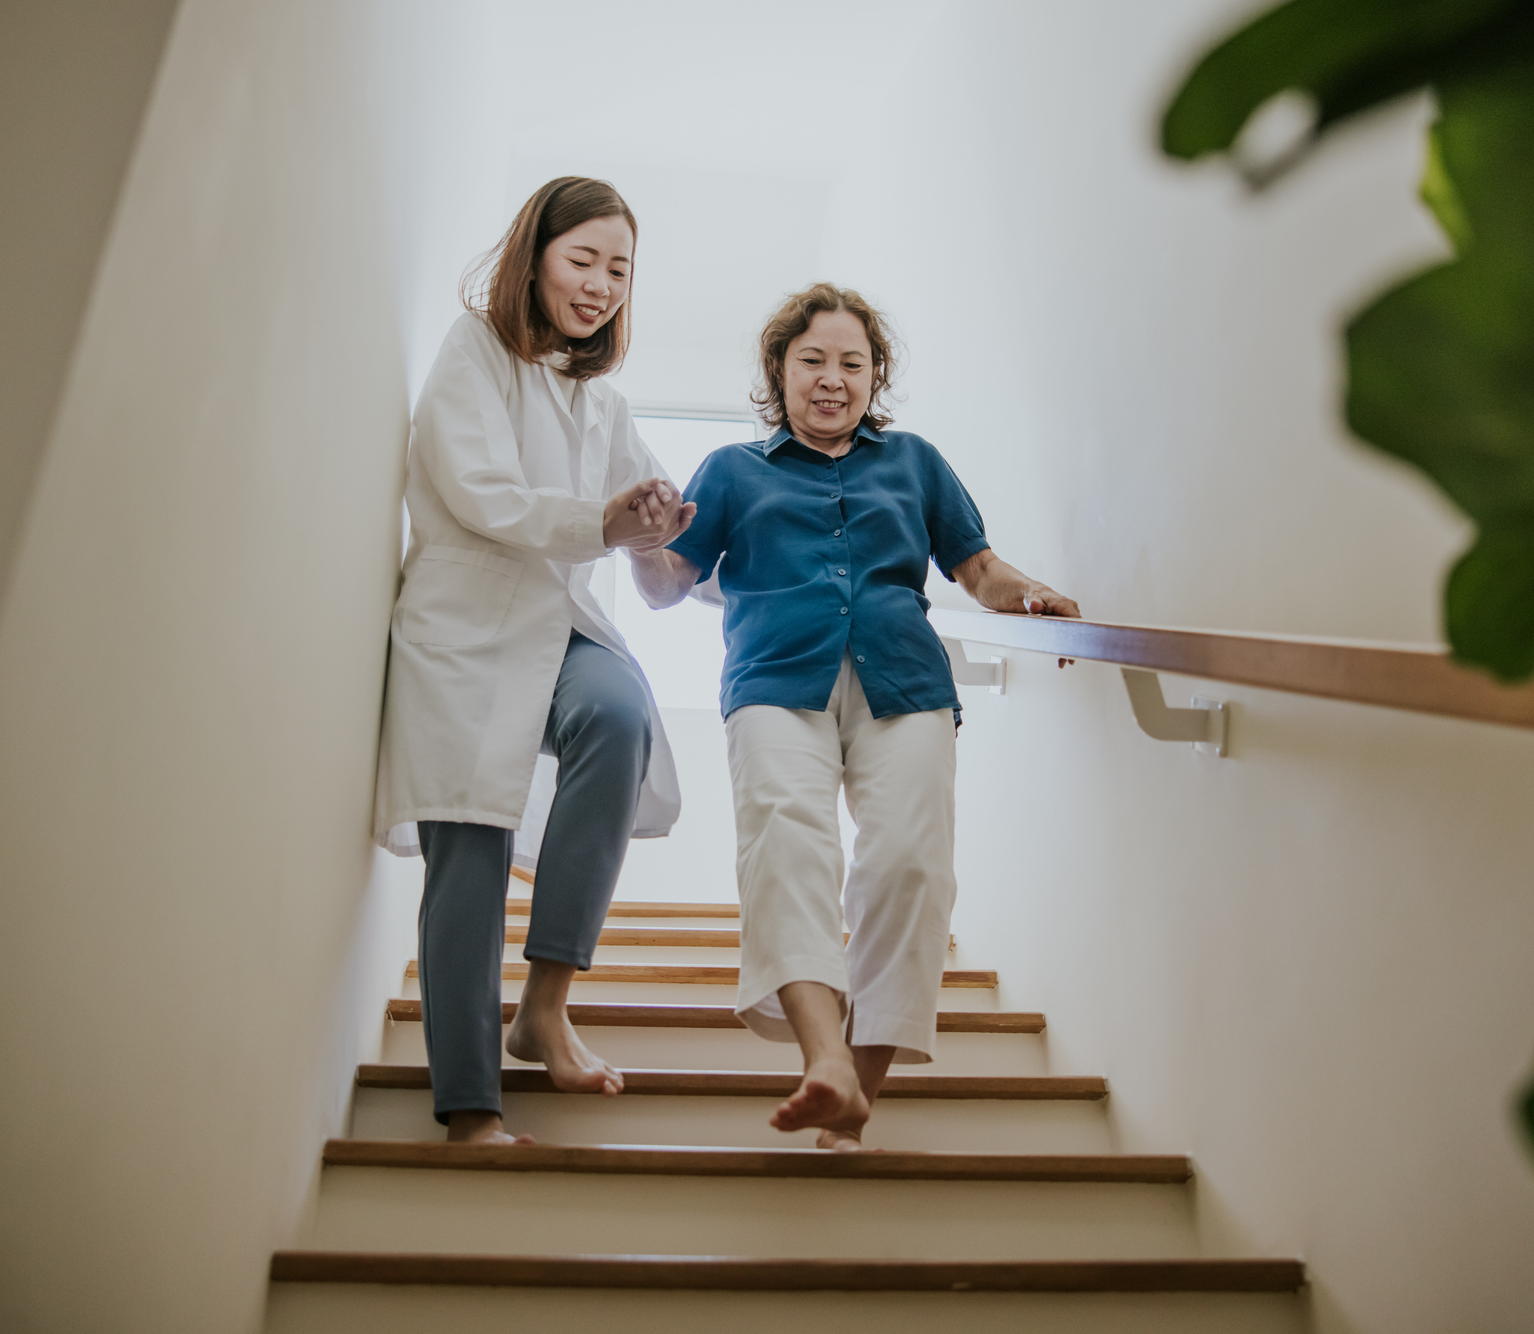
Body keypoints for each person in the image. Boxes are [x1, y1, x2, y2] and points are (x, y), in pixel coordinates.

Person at [627, 283, 1079, 1151]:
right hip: (771, 682)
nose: (832, 379)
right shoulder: (730, 471)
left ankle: (854, 1093)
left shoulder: (914, 461)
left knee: (912, 864)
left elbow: (977, 570)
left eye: (852, 363)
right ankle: (824, 1058)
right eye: (812, 361)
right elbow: (665, 588)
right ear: (779, 371)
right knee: (788, 841)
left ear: (876, 377)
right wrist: (647, 545)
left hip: (904, 682)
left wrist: (1029, 595)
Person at [373, 177, 696, 1145]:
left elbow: (650, 537)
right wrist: (597, 520)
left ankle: (545, 1003)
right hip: (461, 625)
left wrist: (654, 535)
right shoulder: (471, 348)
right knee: (466, 847)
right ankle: (468, 1103)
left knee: (619, 717)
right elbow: (475, 489)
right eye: (582, 259)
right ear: (535, 255)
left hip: (560, 621)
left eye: (619, 270)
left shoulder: (604, 400)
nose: (600, 285)